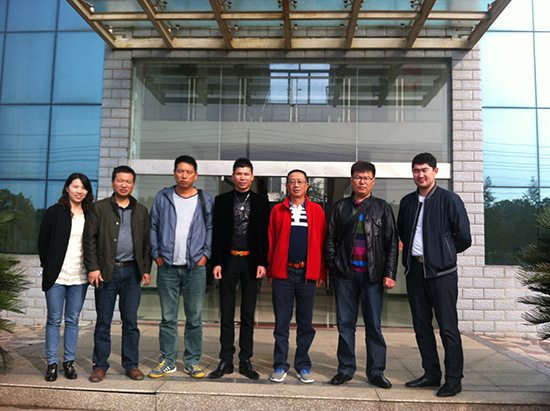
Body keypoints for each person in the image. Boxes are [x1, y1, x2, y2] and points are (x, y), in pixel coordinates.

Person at [397, 152, 471, 398]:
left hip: (442, 274)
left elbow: (464, 238)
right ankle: (431, 373)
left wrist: (442, 254)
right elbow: (403, 232)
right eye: (416, 170)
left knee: (448, 328)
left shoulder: (450, 200)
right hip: (415, 272)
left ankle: (454, 380)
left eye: (425, 170)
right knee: (421, 326)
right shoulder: (407, 202)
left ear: (435, 172)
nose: (420, 174)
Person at [325, 161, 398, 388]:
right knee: (345, 324)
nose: (362, 182)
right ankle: (345, 369)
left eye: (366, 178)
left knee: (373, 325)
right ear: (351, 180)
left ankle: (376, 371)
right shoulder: (340, 207)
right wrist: (333, 267)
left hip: (372, 276)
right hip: (345, 275)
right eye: (358, 177)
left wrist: (390, 273)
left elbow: (392, 243)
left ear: (373, 181)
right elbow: (330, 239)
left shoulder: (382, 208)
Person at [84, 165, 152, 383]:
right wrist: (93, 267)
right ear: (113, 182)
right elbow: (89, 240)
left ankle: (131, 365)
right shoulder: (99, 208)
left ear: (133, 184)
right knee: (103, 321)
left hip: (132, 272)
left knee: (130, 321)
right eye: (120, 180)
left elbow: (146, 244)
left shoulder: (141, 211)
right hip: (106, 272)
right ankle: (100, 365)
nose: (124, 185)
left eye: (128, 181)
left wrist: (146, 269)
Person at [148, 155, 213, 379]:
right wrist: (156, 255)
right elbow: (153, 226)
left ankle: (192, 361)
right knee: (168, 317)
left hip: (195, 268)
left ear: (196, 175)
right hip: (167, 266)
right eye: (180, 171)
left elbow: (210, 228)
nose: (184, 175)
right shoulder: (163, 197)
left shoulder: (204, 198)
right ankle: (168, 360)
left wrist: (205, 255)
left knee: (194, 317)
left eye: (188, 172)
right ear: (174, 173)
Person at [208, 158, 270, 380]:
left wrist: (263, 262)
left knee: (248, 313)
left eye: (246, 174)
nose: (242, 177)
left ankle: (245, 360)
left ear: (252, 177)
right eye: (239, 173)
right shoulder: (222, 200)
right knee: (226, 312)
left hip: (251, 261)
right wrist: (216, 262)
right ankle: (226, 359)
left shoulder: (261, 202)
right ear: (233, 176)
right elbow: (216, 233)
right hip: (229, 261)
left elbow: (264, 234)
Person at [267, 169, 326, 384]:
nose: (296, 185)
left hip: (307, 274)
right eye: (292, 182)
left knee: (305, 323)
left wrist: (321, 272)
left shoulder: (317, 211)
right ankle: (280, 364)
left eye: (300, 181)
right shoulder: (278, 210)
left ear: (307, 186)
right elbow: (271, 242)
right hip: (283, 273)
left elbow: (322, 242)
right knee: (281, 322)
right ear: (287, 186)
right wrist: (271, 270)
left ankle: (303, 365)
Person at [38, 173, 94, 382]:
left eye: (83, 187)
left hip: (80, 277)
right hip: (57, 276)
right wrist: (48, 266)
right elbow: (42, 242)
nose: (79, 191)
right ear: (67, 188)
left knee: (72, 320)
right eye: (75, 186)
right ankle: (52, 363)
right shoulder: (55, 212)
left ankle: (68, 362)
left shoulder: (91, 214)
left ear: (87, 191)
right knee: (53, 320)